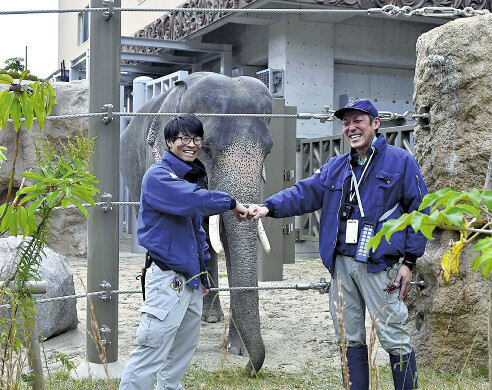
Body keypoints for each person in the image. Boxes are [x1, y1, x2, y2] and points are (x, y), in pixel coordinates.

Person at [249, 99, 428, 389]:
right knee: (348, 335)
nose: (351, 127)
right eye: (346, 123)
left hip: (380, 266)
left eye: (358, 120)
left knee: (393, 334)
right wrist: (268, 207)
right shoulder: (336, 166)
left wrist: (409, 263)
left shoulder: (401, 161)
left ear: (376, 123)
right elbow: (303, 192)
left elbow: (421, 213)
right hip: (341, 264)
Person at [119, 114, 248, 390]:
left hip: (190, 281)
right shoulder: (158, 177)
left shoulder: (188, 177)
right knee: (152, 349)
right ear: (169, 142)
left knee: (182, 353)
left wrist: (203, 274)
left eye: (197, 139)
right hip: (167, 279)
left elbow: (197, 232)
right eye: (184, 139)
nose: (192, 144)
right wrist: (231, 202)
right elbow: (192, 202)